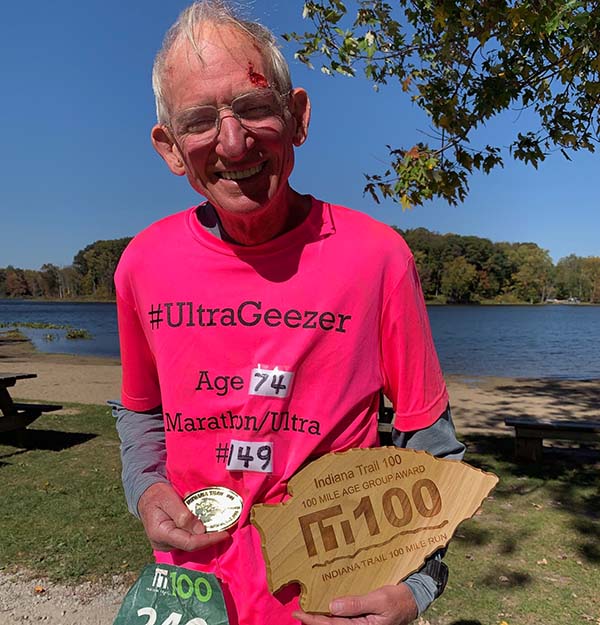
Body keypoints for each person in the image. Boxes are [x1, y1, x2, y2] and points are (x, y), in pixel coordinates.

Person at [113, 2, 465, 624]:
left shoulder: (378, 258)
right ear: (170, 148)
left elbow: (429, 451)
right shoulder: (142, 265)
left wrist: (418, 586)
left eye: (252, 108)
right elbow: (141, 411)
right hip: (191, 601)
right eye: (200, 121)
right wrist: (145, 489)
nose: (232, 142)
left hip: (330, 601)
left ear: (297, 117)